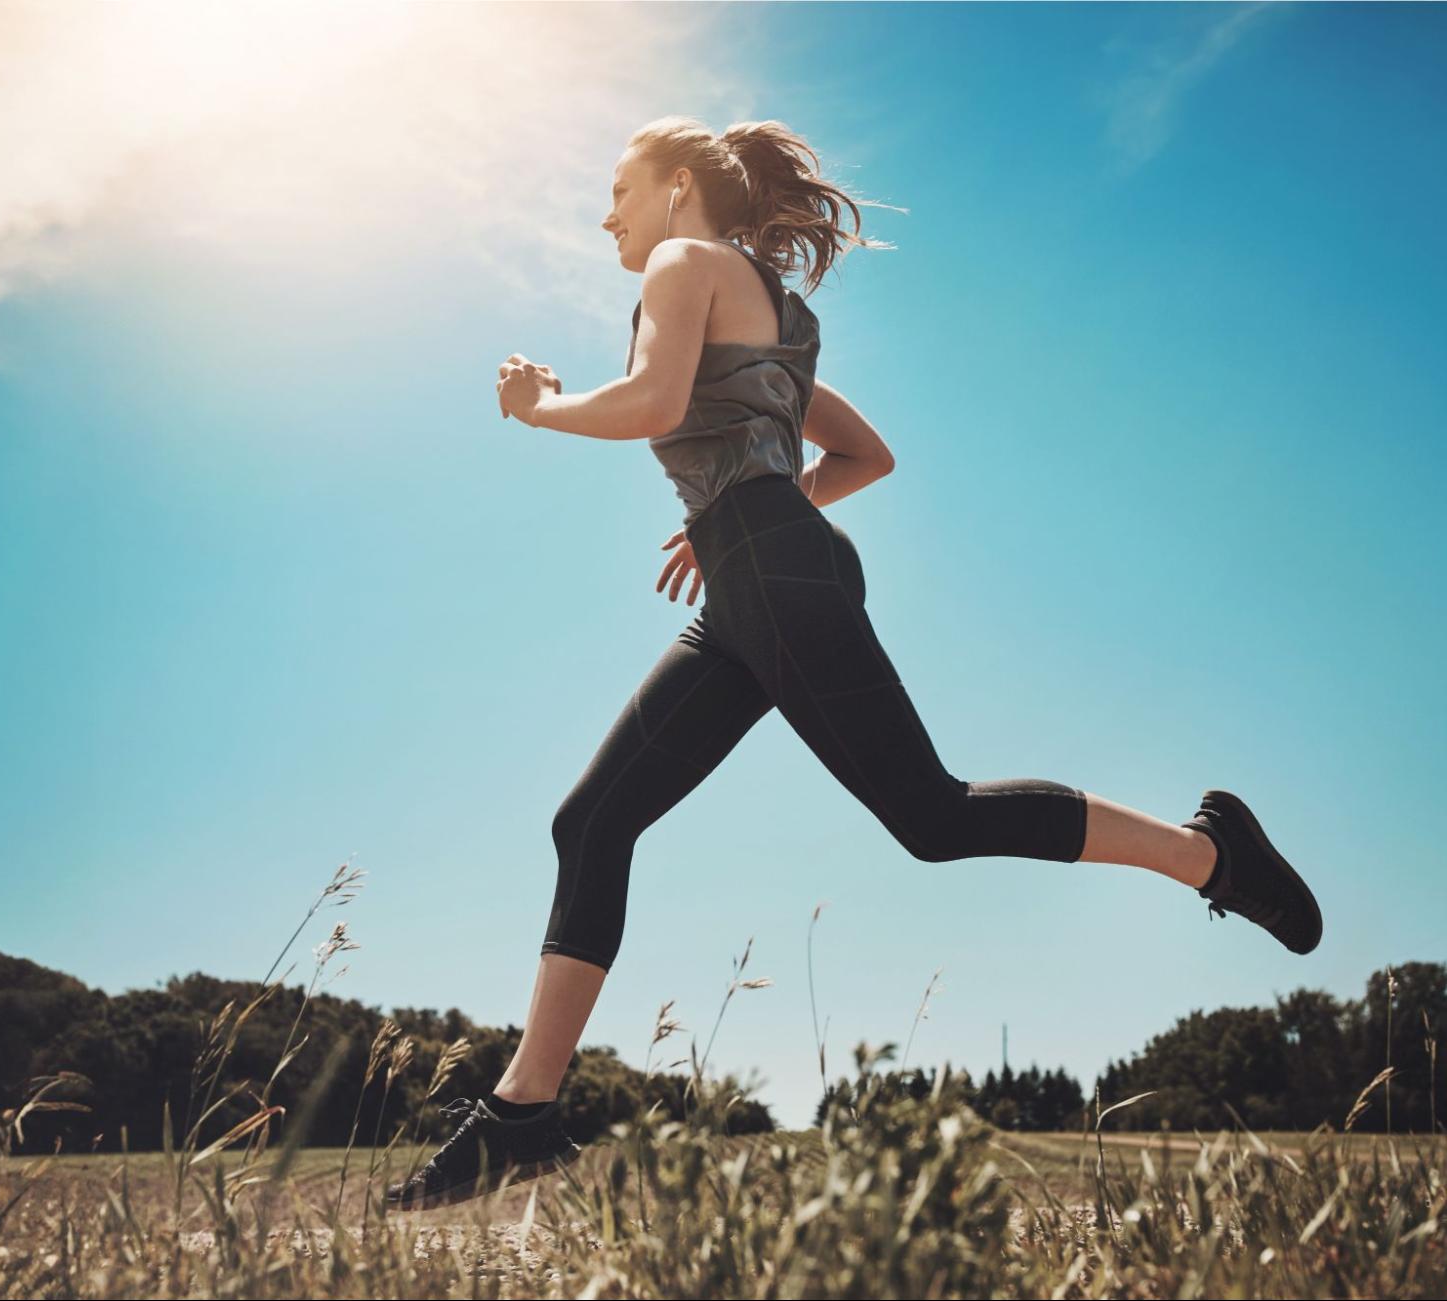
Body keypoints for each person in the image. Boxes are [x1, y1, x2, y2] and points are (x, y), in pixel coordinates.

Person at [384, 115, 1321, 1213]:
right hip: (757, 578)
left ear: (679, 189)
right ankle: (522, 1112)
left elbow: (652, 401)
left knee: (933, 815)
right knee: (591, 821)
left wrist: (534, 405)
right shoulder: (778, 313)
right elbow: (860, 454)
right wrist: (742, 506)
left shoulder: (685, 262)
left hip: (775, 574)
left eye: (619, 191)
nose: (608, 216)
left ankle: (1206, 852)